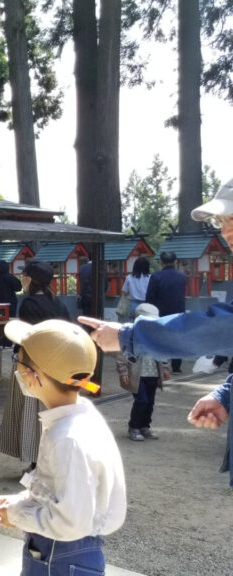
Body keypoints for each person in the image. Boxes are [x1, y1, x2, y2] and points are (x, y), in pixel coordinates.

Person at [79, 178, 233, 489]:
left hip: (164, 323)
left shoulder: (154, 281)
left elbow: (223, 326)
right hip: (173, 323)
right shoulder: (179, 277)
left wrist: (129, 335)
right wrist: (225, 395)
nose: (226, 232)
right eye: (222, 221)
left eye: (231, 220)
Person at [0, 319, 126, 576]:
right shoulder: (79, 416)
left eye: (18, 363)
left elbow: (69, 521)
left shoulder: (67, 438)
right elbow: (60, 493)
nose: (17, 371)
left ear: (34, 375)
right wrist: (20, 502)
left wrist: (16, 514)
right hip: (68, 551)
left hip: (59, 554)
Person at [0, 261, 71, 470]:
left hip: (32, 365)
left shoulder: (29, 304)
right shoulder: (57, 303)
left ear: (31, 279)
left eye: (25, 276)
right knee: (54, 413)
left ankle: (36, 462)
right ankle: (54, 461)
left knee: (32, 414)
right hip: (57, 367)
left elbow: (27, 339)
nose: (22, 279)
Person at [116, 303, 170, 441]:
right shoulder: (130, 334)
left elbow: (163, 353)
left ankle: (145, 426)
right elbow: (122, 354)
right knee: (142, 400)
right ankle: (133, 427)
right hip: (137, 374)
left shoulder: (156, 335)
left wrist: (164, 368)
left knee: (150, 402)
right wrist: (123, 372)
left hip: (153, 373)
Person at [145, 251, 187, 372]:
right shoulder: (182, 276)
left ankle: (161, 365)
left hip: (160, 312)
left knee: (160, 338)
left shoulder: (156, 277)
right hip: (178, 311)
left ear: (161, 262)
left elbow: (150, 297)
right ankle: (176, 366)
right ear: (175, 262)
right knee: (177, 338)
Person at [119, 257, 151, 322]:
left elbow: (125, 292)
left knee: (132, 323)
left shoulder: (129, 277)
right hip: (146, 305)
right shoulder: (150, 278)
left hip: (132, 304)